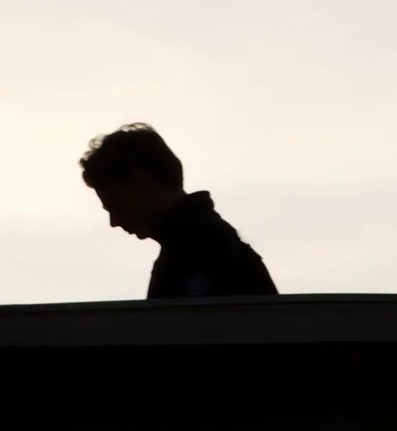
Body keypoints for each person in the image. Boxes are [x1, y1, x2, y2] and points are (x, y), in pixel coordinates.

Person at [79, 123, 280, 301]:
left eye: (116, 203)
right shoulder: (206, 244)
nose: (114, 221)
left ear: (141, 183)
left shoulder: (196, 251)